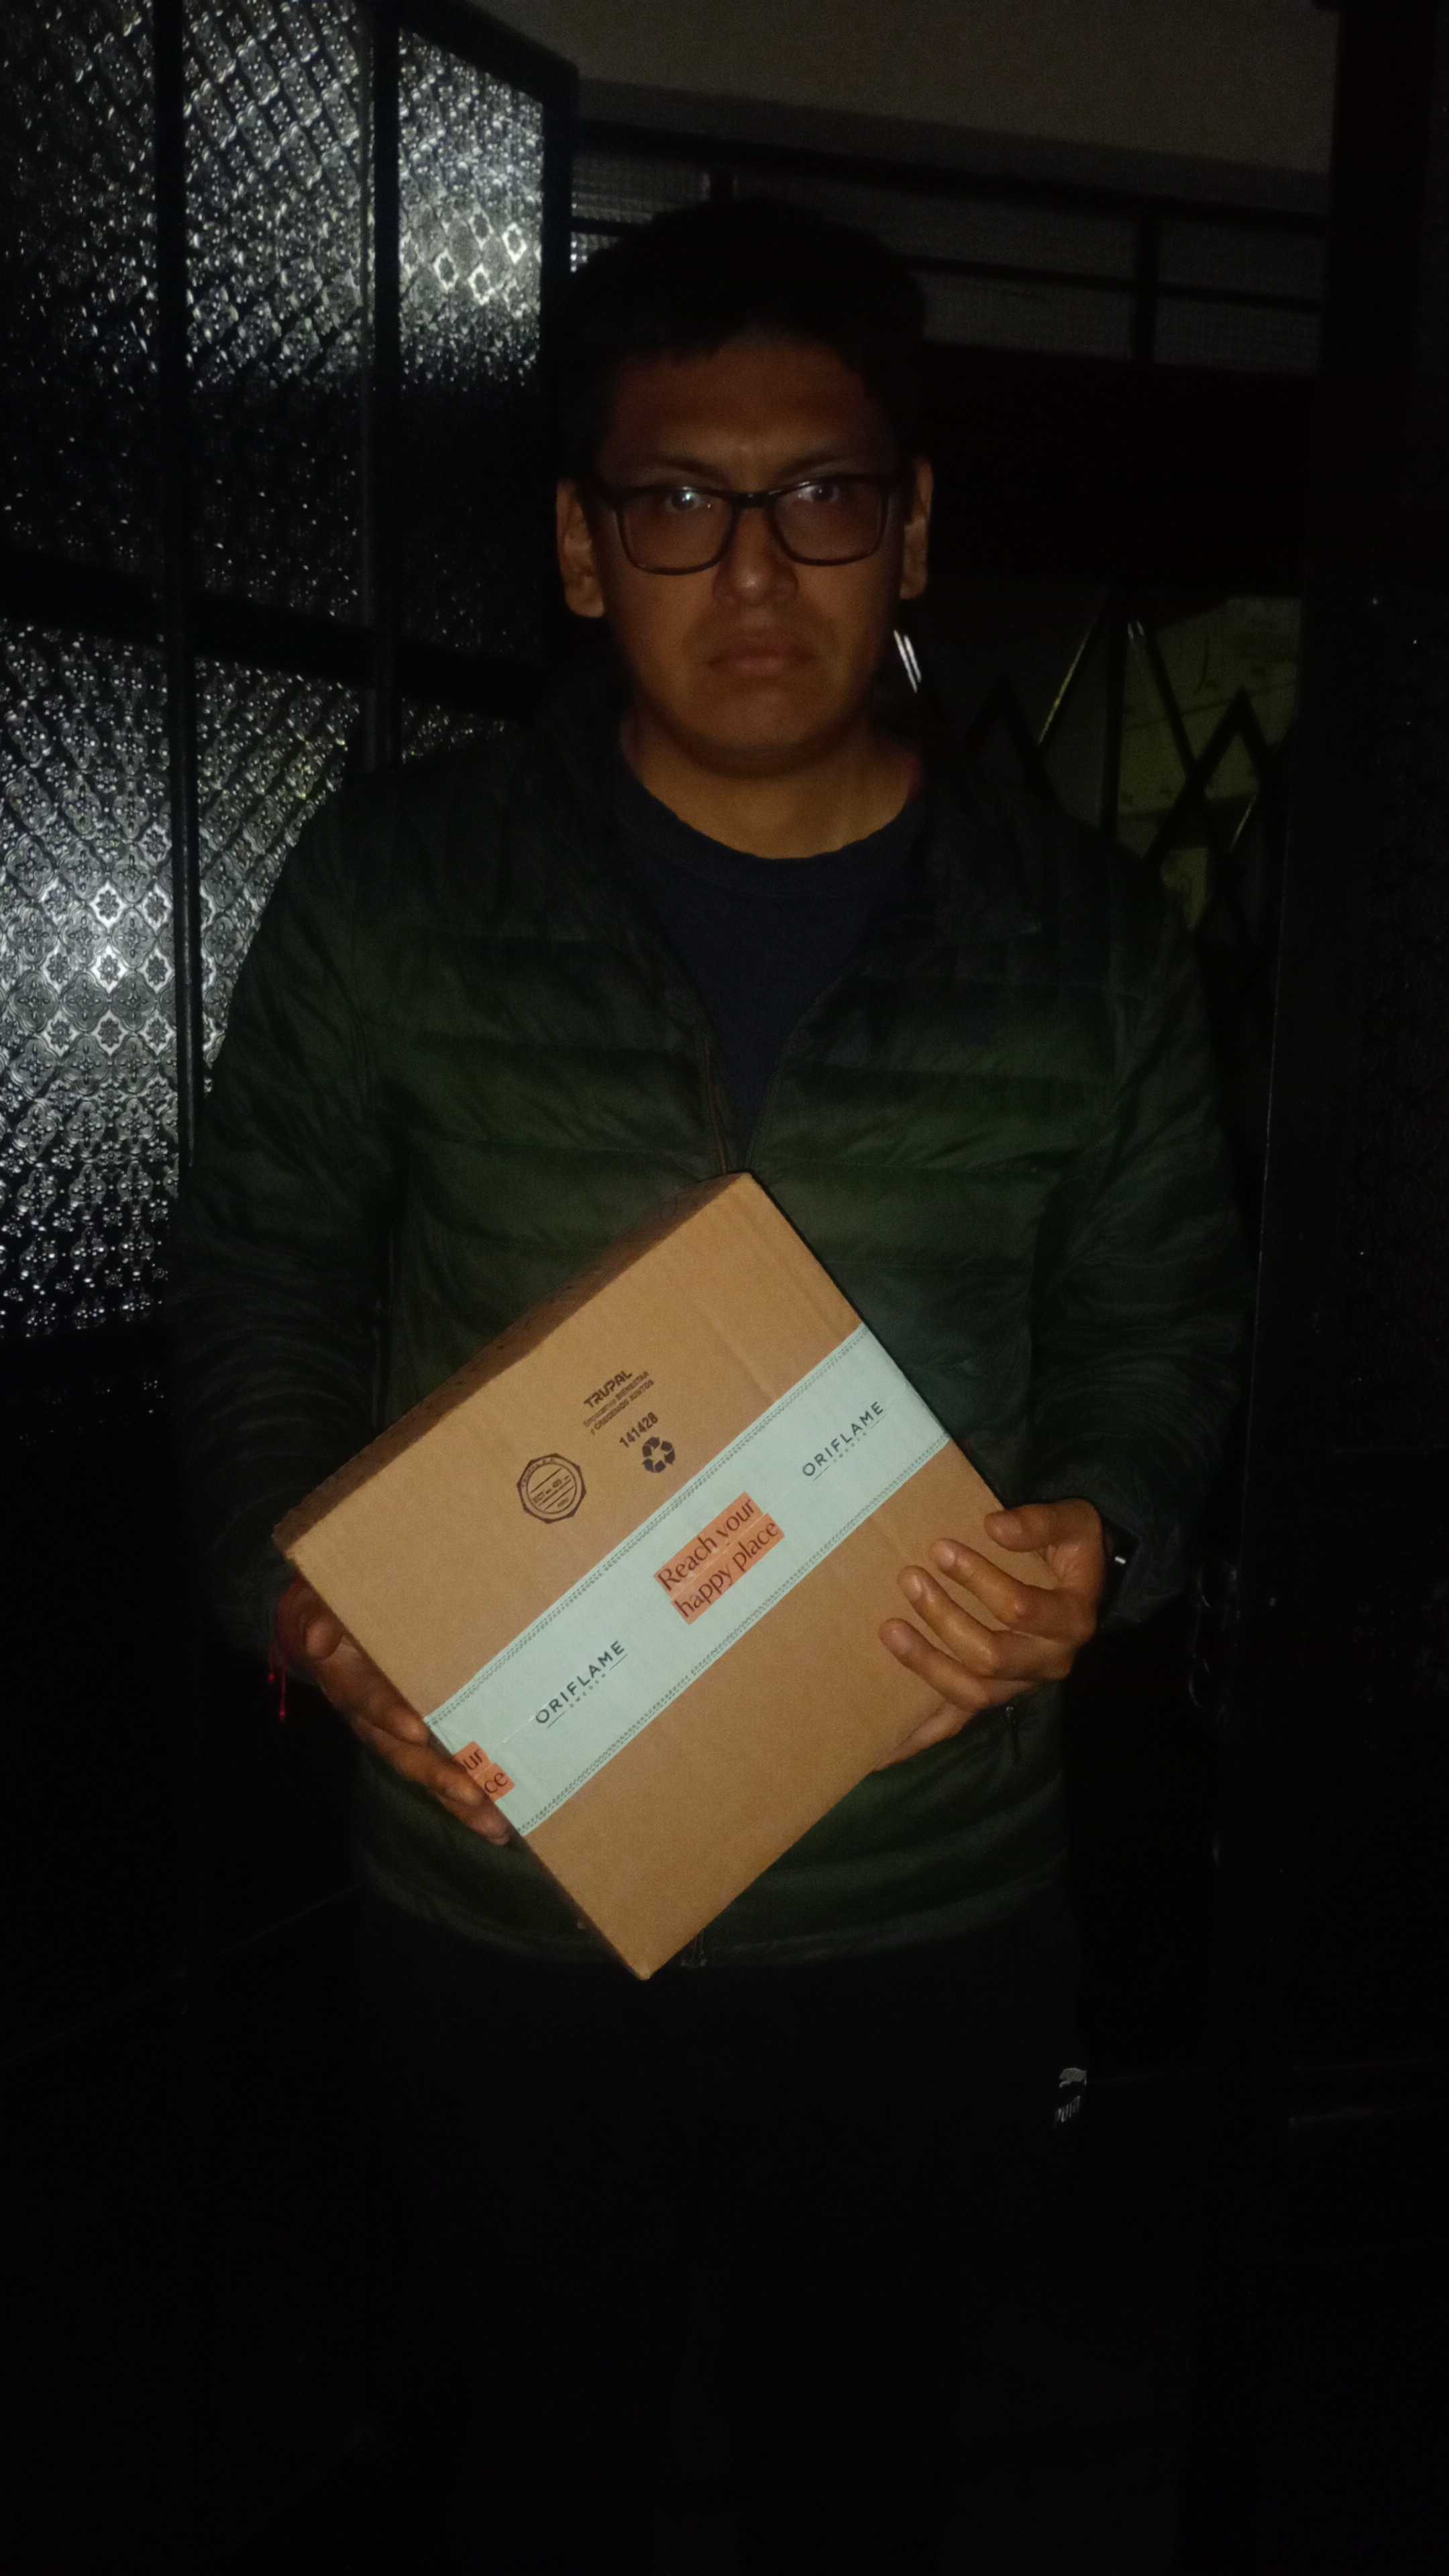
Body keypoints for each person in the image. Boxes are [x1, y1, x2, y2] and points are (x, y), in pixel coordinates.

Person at [171, 201, 1246, 2573]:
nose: (754, 570)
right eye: (678, 502)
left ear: (912, 529)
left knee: (863, 2481)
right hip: (503, 1889)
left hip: (921, 1908)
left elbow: (1163, 1332)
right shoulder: (400, 889)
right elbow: (259, 1281)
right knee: (525, 2475)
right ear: (583, 548)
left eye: (821, 497)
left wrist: (1108, 1535)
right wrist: (302, 1594)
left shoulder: (1087, 945)